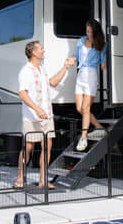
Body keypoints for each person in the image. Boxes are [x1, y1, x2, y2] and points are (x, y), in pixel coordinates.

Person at [16, 40, 74, 189]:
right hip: (31, 116)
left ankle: (43, 179)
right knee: (28, 147)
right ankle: (20, 177)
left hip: (47, 115)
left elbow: (53, 83)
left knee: (47, 146)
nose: (43, 50)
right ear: (33, 52)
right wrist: (37, 109)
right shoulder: (26, 71)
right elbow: (22, 93)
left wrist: (65, 67)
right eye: (41, 48)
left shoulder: (42, 69)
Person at [74, 18, 107, 151]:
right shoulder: (82, 40)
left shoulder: (101, 44)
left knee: (86, 108)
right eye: (87, 31)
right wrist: (71, 58)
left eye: (90, 31)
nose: (88, 33)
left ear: (95, 31)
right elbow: (76, 55)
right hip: (80, 74)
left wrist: (105, 63)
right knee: (80, 109)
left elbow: (103, 62)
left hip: (91, 75)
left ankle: (84, 137)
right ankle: (99, 128)